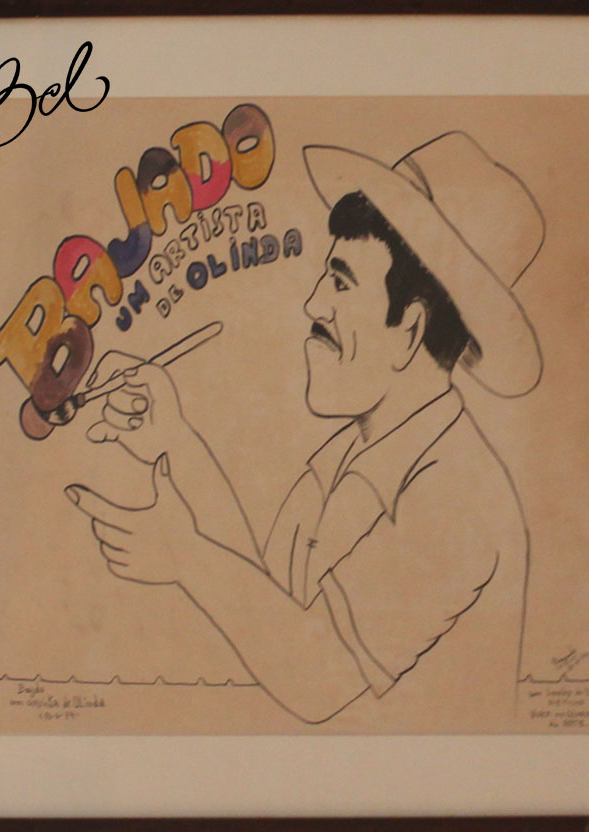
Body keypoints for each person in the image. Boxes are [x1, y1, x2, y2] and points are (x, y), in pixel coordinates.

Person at [65, 131, 546, 726]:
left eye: (340, 282)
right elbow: (270, 597)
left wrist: (186, 557)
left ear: (410, 329)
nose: (313, 304)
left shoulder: (462, 495)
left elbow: (319, 674)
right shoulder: (346, 456)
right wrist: (175, 439)